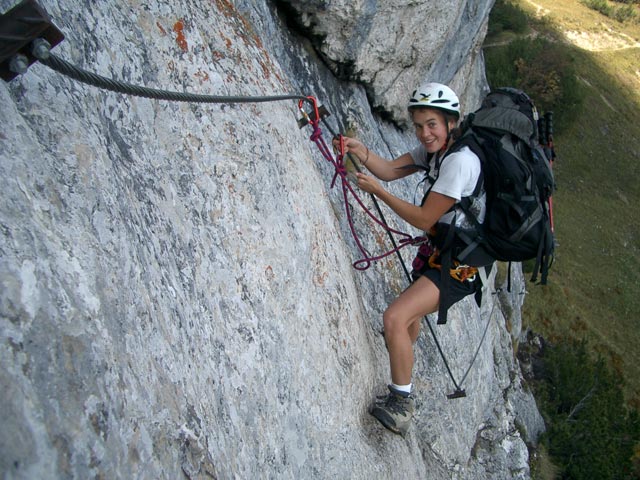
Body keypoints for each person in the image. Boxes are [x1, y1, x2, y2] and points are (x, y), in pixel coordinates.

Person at [337, 82, 489, 436]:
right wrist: (362, 151)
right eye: (419, 125)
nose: (424, 133)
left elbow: (423, 218)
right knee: (405, 320)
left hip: (462, 263)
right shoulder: (435, 152)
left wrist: (380, 193)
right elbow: (389, 169)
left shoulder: (460, 162)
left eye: (432, 124)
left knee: (396, 316)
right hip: (447, 252)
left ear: (451, 122)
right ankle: (401, 351)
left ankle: (402, 403)